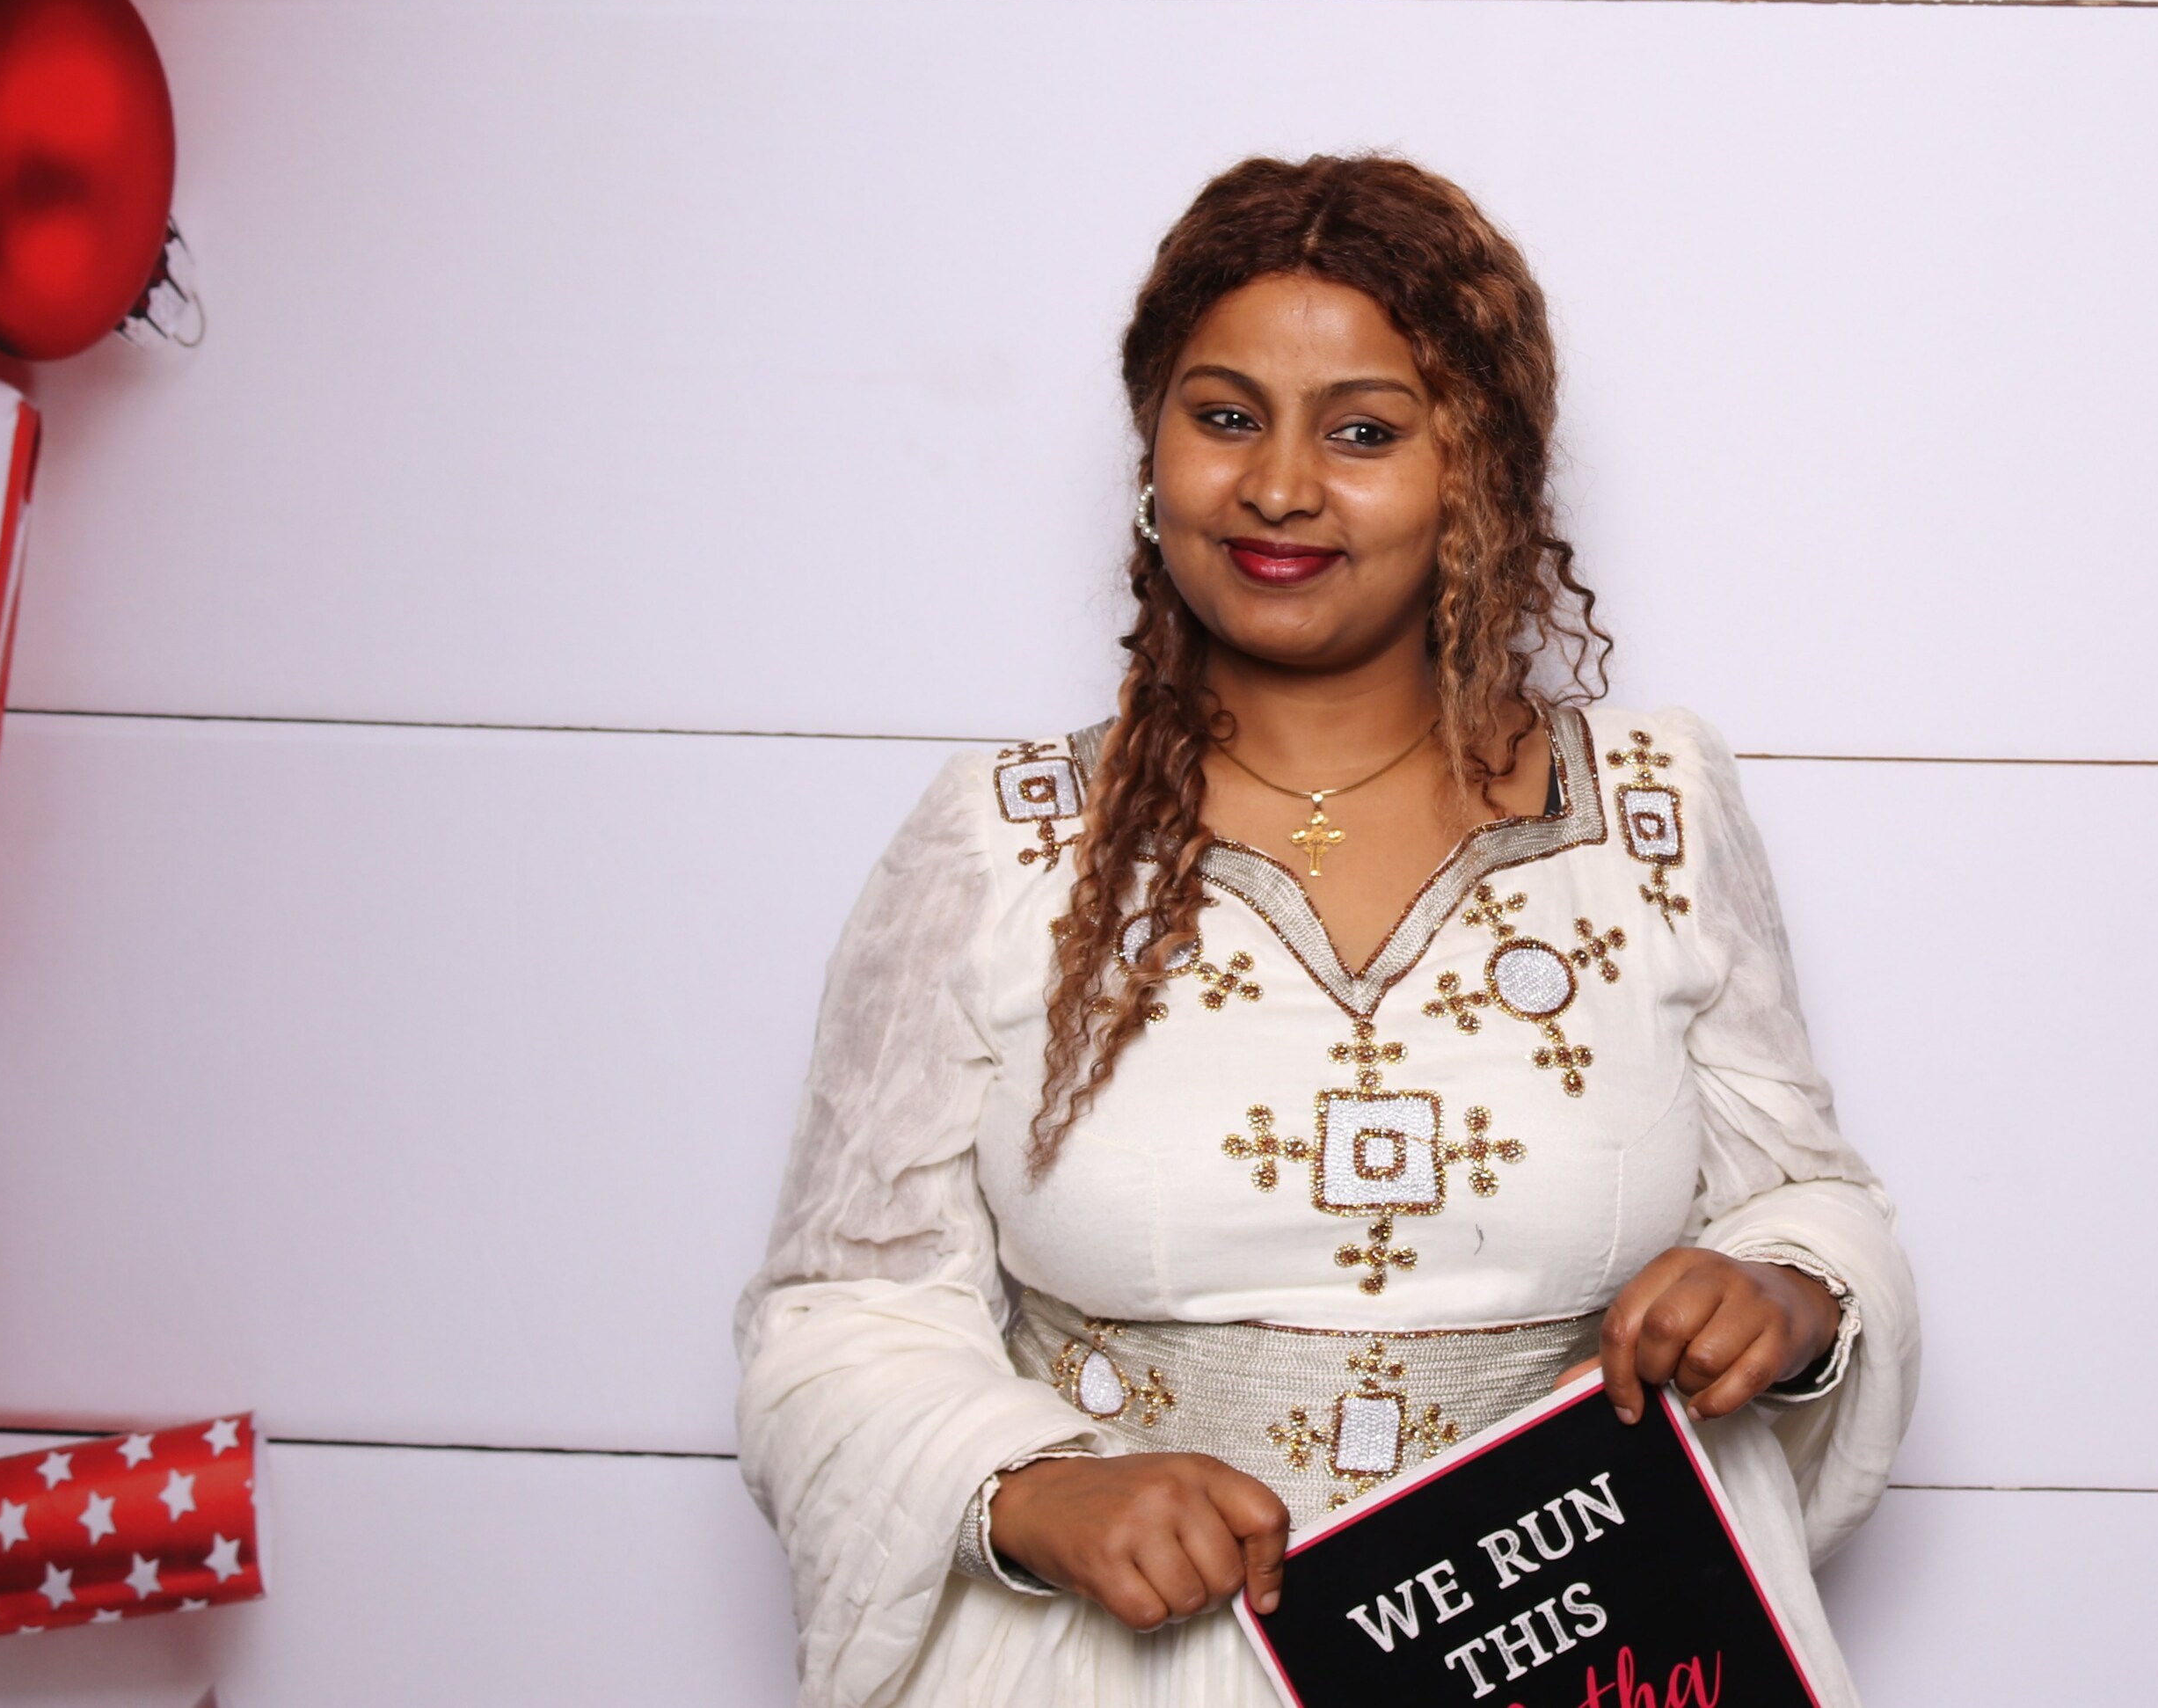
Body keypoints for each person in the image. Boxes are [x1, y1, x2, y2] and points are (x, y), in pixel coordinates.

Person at [735, 154, 1916, 1708]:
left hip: (1570, 1648)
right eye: (1226, 417)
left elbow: (1810, 1202)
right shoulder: (1002, 841)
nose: (1280, 487)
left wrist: (1784, 1296)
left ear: (1478, 472)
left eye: (1364, 431)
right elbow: (838, 1312)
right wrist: (1027, 1489)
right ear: (1153, 447)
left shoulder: (1654, 810)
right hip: (1122, 1672)